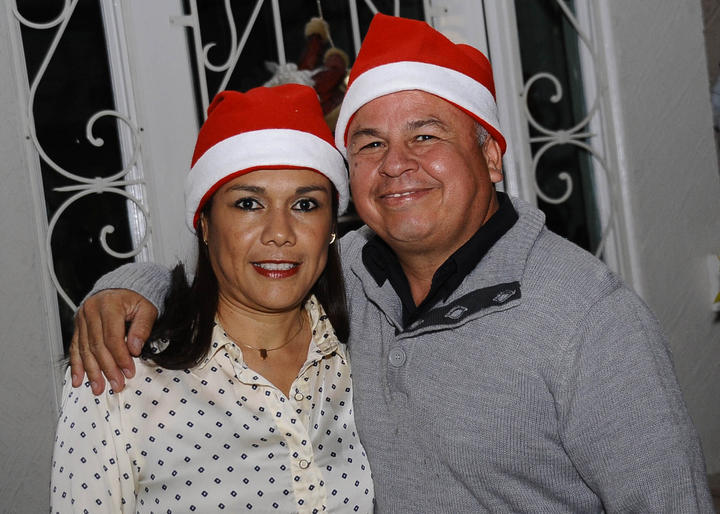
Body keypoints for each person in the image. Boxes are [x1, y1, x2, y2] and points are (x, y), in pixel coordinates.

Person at [68, 14, 714, 513]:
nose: (396, 164)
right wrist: (129, 287)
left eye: (425, 135)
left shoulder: (589, 318)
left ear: (491, 155)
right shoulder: (345, 274)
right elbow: (240, 265)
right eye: (370, 143)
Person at [51, 84, 374, 513]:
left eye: (305, 205)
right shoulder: (120, 376)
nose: (280, 232)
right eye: (248, 203)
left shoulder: (366, 351)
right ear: (204, 222)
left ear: (331, 225)